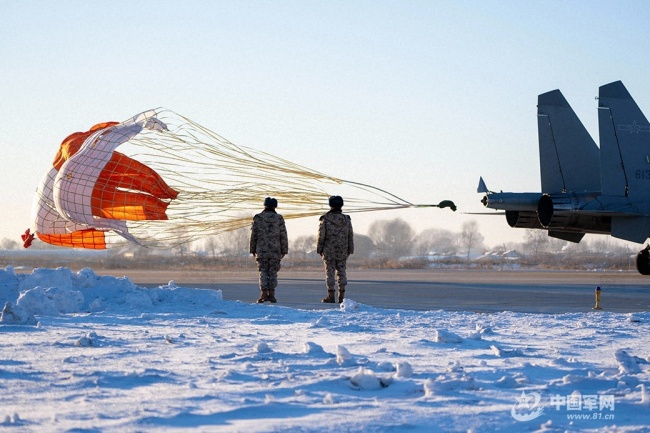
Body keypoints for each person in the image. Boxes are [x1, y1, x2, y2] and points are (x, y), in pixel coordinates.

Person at [249, 197, 288, 303]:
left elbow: (254, 235)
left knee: (263, 272)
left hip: (261, 250)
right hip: (275, 250)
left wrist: (252, 249)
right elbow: (283, 235)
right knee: (273, 272)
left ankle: (264, 294)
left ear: (264, 205)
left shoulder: (258, 218)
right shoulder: (279, 218)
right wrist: (284, 250)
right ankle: (272, 294)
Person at [316, 195, 354, 303]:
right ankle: (341, 297)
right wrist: (350, 250)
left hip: (328, 250)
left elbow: (321, 236)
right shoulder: (346, 219)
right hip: (343, 250)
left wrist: (319, 249)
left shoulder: (325, 219)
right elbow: (350, 235)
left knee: (330, 273)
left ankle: (331, 295)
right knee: (342, 273)